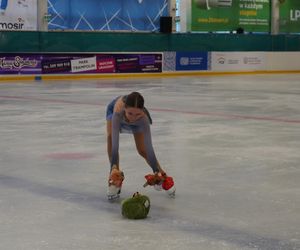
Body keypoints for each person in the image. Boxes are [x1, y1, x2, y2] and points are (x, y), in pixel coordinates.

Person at [106, 91, 175, 200]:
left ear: (142, 111)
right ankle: (115, 177)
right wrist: (114, 166)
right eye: (130, 114)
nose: (133, 118)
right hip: (116, 113)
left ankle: (162, 175)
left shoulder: (143, 119)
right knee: (110, 137)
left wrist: (156, 170)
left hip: (134, 117)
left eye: (137, 114)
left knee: (142, 150)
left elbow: (149, 148)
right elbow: (115, 144)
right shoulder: (118, 111)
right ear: (125, 109)